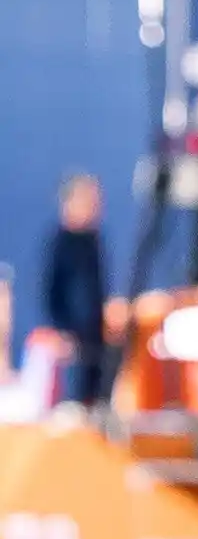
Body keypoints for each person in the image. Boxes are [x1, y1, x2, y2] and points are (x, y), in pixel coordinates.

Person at [40, 173, 112, 409]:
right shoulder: (60, 245)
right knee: (72, 401)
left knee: (96, 398)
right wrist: (60, 331)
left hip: (95, 339)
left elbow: (98, 290)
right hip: (69, 340)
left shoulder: (93, 242)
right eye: (88, 200)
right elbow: (52, 292)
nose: (95, 207)